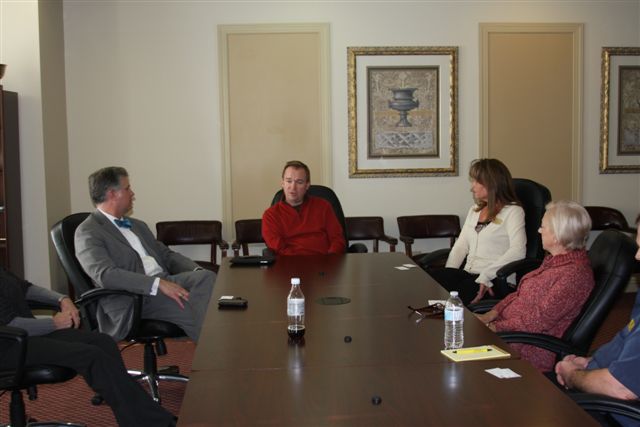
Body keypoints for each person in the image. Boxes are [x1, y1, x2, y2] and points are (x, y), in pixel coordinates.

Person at [0, 267, 176, 427]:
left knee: (102, 342)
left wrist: (62, 299)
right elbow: (9, 323)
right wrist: (53, 323)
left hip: (23, 337)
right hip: (8, 346)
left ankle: (136, 416)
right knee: (90, 356)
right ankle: (154, 423)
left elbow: (25, 288)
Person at [75, 166, 214, 342]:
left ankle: (206, 341)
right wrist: (156, 284)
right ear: (112, 194)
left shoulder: (137, 225)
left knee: (206, 277)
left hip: (162, 282)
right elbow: (105, 275)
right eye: (127, 188)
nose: (132, 193)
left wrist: (196, 271)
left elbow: (166, 255)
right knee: (195, 311)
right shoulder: (88, 231)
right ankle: (212, 358)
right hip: (133, 297)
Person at [475, 201, 595, 372]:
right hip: (507, 333)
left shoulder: (574, 276)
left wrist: (493, 328)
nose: (539, 231)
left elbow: (537, 321)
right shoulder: (555, 262)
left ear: (557, 236)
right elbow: (519, 295)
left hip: (525, 348)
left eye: (543, 227)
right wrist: (490, 315)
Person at [554, 214, 640, 427]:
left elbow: (621, 389)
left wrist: (572, 374)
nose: (637, 257)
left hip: (613, 414)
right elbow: (627, 342)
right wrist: (591, 363)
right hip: (600, 386)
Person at [425, 158, 526, 305]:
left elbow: (518, 251)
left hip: (494, 279)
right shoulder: (474, 210)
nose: (472, 187)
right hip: (468, 274)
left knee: (456, 298)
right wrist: (449, 274)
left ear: (491, 184)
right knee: (432, 281)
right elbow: (461, 247)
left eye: (476, 182)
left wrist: (486, 275)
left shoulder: (513, 212)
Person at [262, 160, 346, 255]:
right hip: (290, 265)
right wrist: (302, 263)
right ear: (282, 183)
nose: (293, 187)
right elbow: (278, 248)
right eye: (289, 181)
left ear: (307, 185)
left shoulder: (323, 206)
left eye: (299, 182)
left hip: (324, 263)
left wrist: (330, 259)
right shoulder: (270, 215)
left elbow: (337, 239)